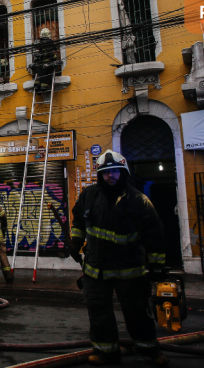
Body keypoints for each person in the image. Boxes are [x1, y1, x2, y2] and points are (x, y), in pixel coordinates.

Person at [70, 150, 169, 366]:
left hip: (129, 269)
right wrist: (75, 241)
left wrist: (157, 265)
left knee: (137, 312)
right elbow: (78, 221)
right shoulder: (89, 195)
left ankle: (149, 349)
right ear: (100, 175)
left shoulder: (138, 200)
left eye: (114, 171)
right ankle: (106, 352)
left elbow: (154, 234)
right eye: (105, 172)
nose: (110, 176)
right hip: (96, 269)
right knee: (99, 314)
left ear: (123, 172)